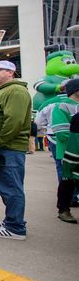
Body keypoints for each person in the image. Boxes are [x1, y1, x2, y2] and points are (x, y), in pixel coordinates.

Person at [0, 60, 32, 240]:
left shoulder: (15, 90)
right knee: (6, 185)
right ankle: (11, 220)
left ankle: (15, 227)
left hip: (9, 147)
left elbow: (14, 121)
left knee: (11, 187)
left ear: (11, 72)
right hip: (3, 146)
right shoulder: (4, 90)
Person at [50, 78, 79, 223]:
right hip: (68, 152)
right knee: (67, 181)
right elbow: (61, 132)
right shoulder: (61, 106)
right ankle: (63, 209)